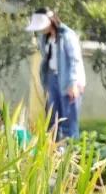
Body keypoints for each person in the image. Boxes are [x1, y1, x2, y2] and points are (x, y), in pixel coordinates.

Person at [25, 8, 85, 140]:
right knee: (53, 116)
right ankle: (54, 148)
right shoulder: (45, 38)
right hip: (53, 78)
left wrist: (73, 83)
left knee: (68, 118)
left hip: (68, 80)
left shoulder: (67, 36)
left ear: (51, 22)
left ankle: (70, 149)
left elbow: (74, 60)